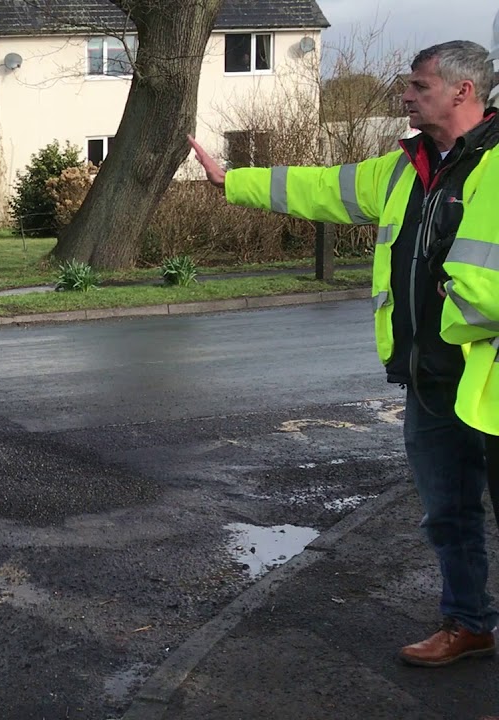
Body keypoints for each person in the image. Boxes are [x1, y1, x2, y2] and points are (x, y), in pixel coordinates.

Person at [189, 40, 499, 667]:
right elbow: (324, 187)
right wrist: (233, 181)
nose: (405, 96)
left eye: (418, 85)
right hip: (430, 378)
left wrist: (461, 294)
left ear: (463, 91)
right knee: (447, 515)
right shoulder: (403, 167)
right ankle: (468, 624)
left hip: (489, 379)